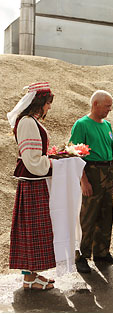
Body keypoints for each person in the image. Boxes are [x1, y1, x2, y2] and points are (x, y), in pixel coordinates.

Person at [7, 80, 56, 291]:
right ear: (40, 102)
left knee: (33, 231)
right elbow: (33, 160)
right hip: (32, 184)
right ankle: (29, 278)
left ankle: (33, 275)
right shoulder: (27, 122)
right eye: (48, 103)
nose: (49, 107)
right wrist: (53, 161)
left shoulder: (30, 121)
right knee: (31, 231)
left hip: (34, 183)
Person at [70, 90, 113, 273]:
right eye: (107, 106)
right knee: (88, 216)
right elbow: (74, 155)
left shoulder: (107, 125)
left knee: (106, 214)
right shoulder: (81, 124)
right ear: (95, 104)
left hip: (106, 172)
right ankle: (82, 256)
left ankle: (102, 252)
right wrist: (83, 181)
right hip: (91, 171)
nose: (109, 109)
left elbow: (112, 153)